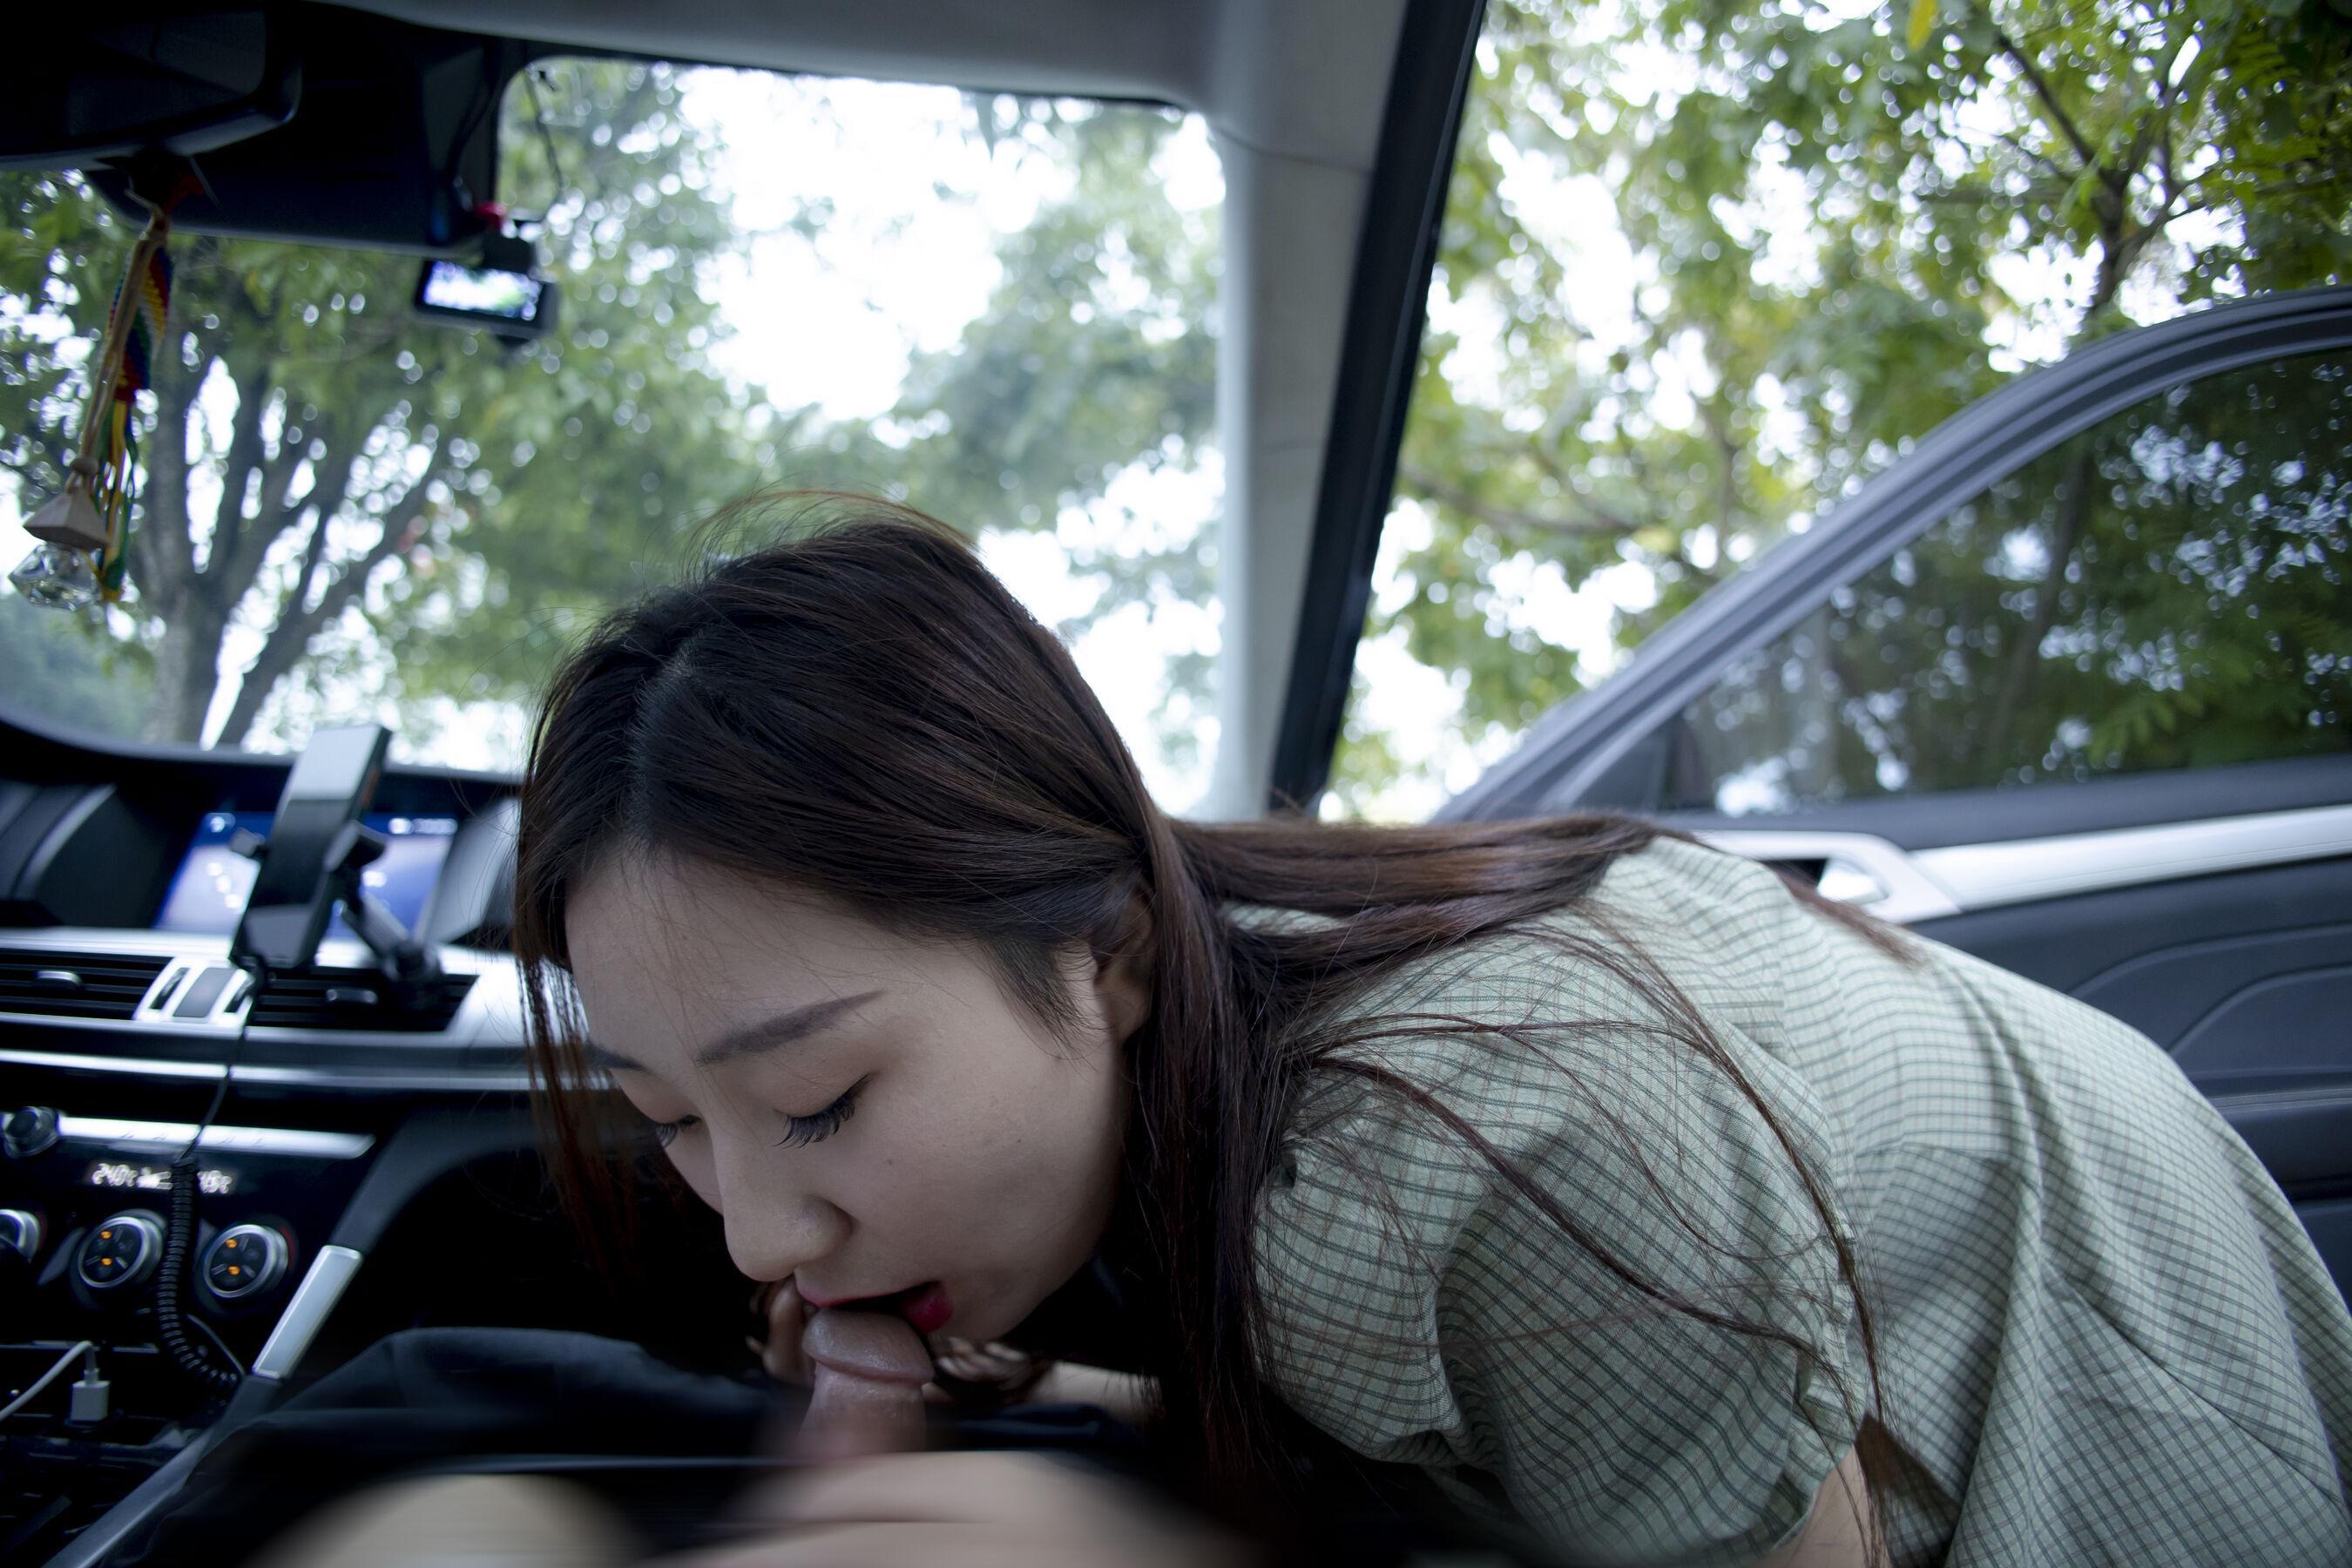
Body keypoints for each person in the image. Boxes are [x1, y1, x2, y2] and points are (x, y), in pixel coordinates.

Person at [499, 496, 2351, 1567]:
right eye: (674, 1121)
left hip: (2105, 1360)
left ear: (1105, 954)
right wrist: (1087, 1401)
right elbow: (1441, 1404)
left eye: (819, 1100)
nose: (760, 1235)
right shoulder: (1218, 1036)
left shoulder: (1490, 1143)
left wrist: (1151, 1550)